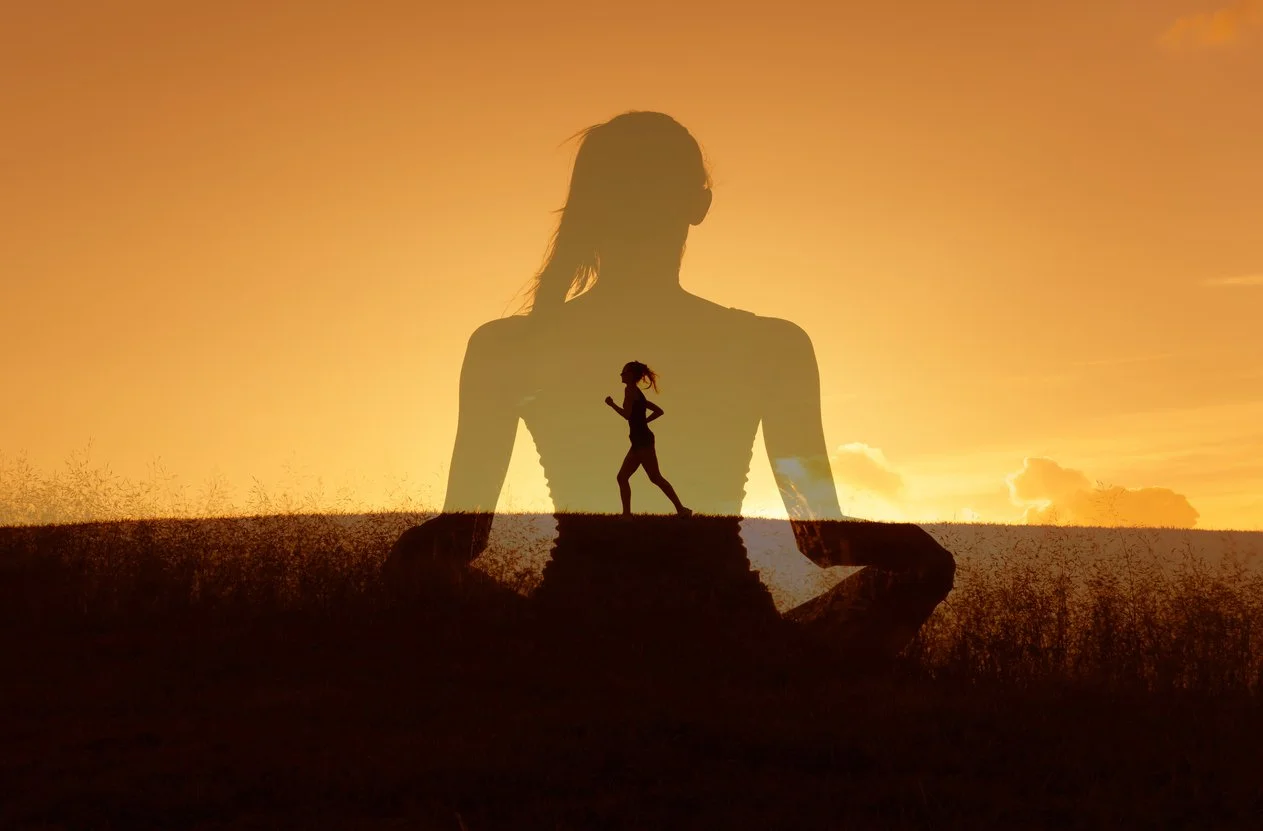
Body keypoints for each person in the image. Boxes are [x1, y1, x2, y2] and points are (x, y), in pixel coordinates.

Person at [385, 110, 955, 664]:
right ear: (699, 205)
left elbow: (461, 538)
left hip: (570, 641)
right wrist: (917, 547)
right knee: (924, 567)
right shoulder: (771, 346)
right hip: (732, 643)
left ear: (588, 205)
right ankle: (820, 695)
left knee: (417, 566)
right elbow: (822, 541)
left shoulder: (508, 346)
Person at [604, 361, 691, 517]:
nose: (621, 374)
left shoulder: (630, 391)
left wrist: (612, 405)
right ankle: (627, 515)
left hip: (642, 441)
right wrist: (643, 422)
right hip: (639, 440)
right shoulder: (637, 393)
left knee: (652, 477)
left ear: (631, 375)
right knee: (627, 477)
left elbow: (627, 415)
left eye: (624, 372)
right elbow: (658, 411)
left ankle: (681, 510)